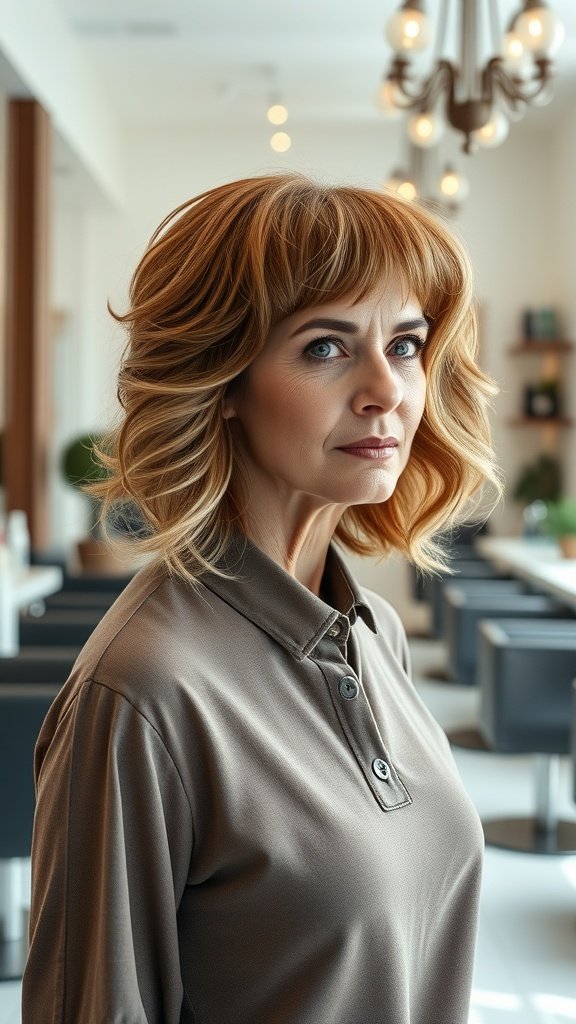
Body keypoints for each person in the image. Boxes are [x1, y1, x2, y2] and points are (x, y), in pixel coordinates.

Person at [22, 173, 500, 1024]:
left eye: (404, 344)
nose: (387, 390)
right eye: (325, 348)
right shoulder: (141, 693)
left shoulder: (377, 634)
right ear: (223, 381)